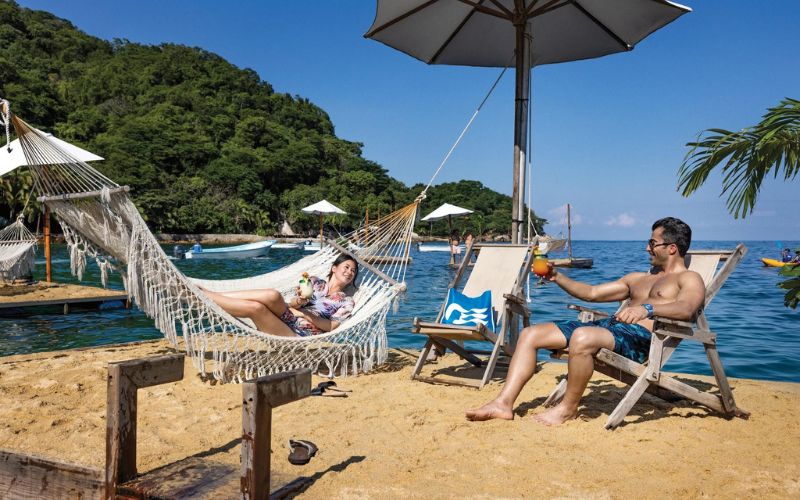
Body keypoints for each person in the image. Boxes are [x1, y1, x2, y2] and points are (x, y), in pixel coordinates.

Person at [466, 217, 705, 426]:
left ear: (672, 248)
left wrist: (648, 309)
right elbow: (591, 293)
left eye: (653, 243)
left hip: (640, 340)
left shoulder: (689, 278)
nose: (647, 248)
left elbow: (687, 308)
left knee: (582, 337)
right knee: (530, 334)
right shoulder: (638, 278)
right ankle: (503, 403)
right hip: (609, 330)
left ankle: (567, 409)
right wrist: (557, 276)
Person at [202, 253, 358, 337]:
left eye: (353, 271)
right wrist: (299, 301)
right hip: (288, 315)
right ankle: (207, 295)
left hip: (301, 332)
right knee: (273, 295)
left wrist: (303, 313)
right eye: (346, 267)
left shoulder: (346, 301)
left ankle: (206, 297)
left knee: (255, 308)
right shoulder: (315, 282)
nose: (349, 272)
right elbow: (293, 304)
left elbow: (331, 326)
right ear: (334, 268)